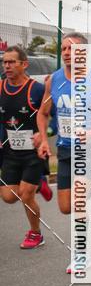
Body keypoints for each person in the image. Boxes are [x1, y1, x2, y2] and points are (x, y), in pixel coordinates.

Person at [37, 33, 91, 270]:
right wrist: (44, 140)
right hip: (65, 150)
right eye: (63, 48)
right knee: (65, 207)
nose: (65, 52)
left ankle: (81, 254)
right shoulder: (54, 80)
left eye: (71, 48)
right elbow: (43, 114)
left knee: (80, 204)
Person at [0, 46, 46, 248]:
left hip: (33, 152)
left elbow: (50, 117)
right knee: (9, 197)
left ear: (24, 64)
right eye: (4, 62)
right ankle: (41, 181)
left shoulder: (36, 89)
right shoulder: (0, 87)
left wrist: (44, 134)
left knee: (26, 194)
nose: (7, 66)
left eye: (11, 62)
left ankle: (36, 234)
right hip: (10, 152)